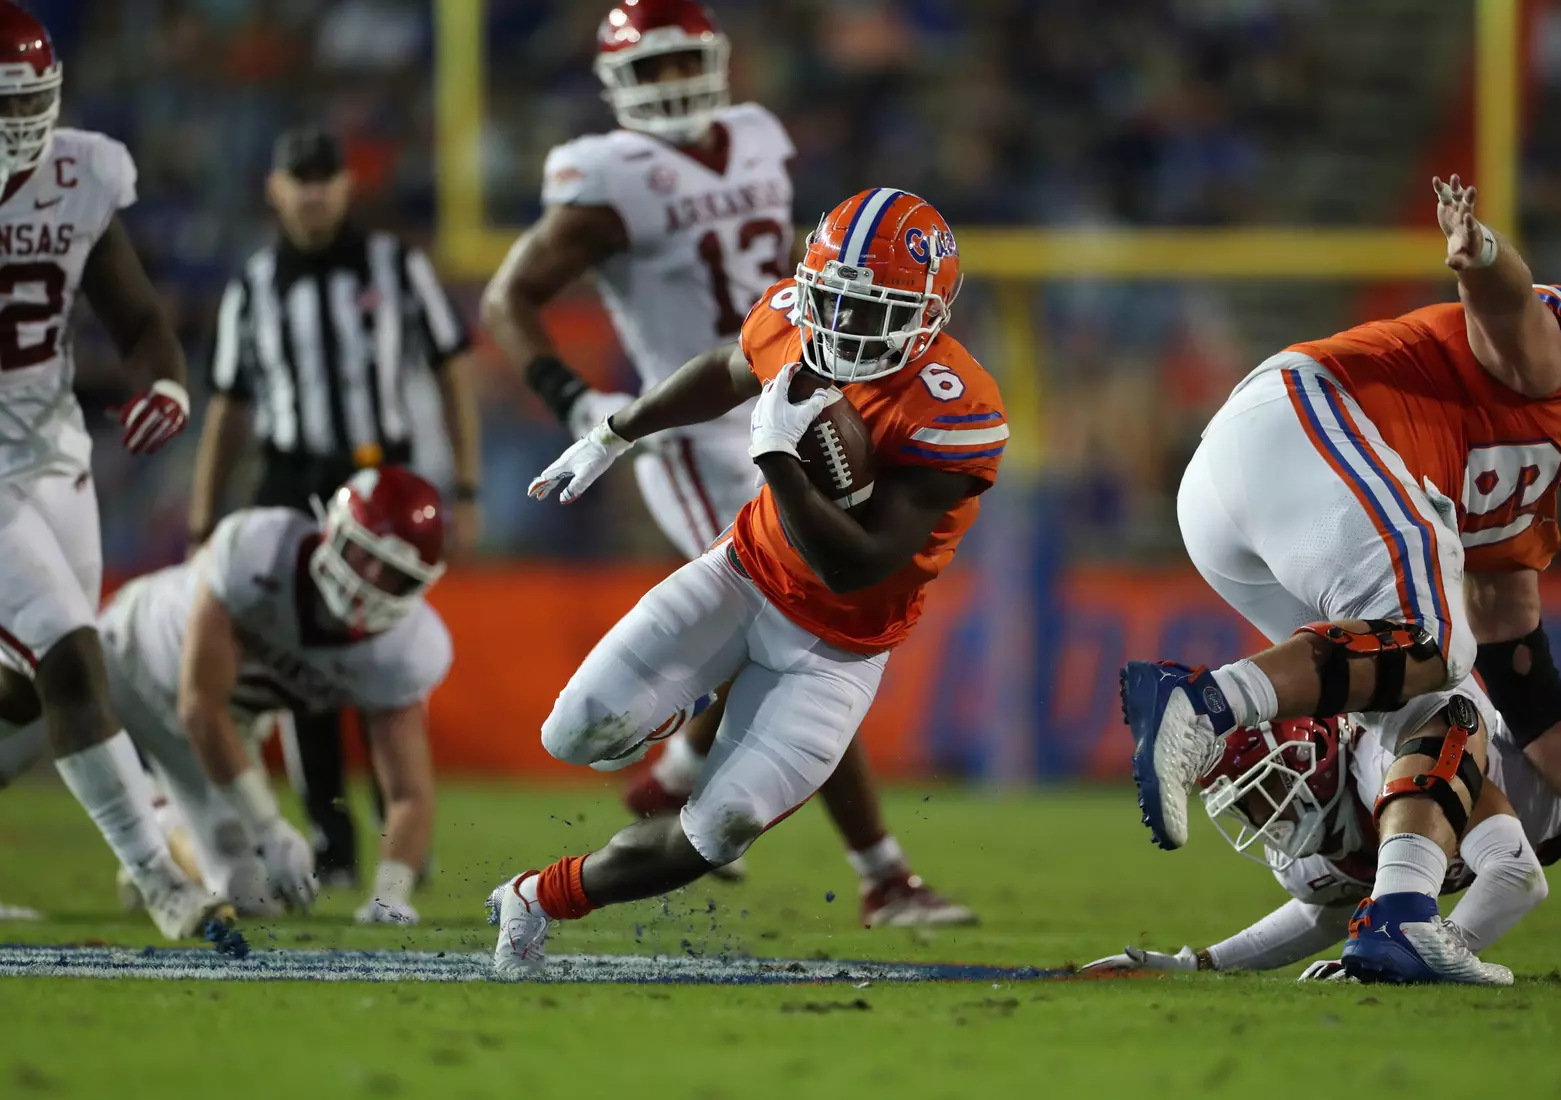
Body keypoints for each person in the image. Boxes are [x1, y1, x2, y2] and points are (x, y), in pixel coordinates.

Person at [482, 0, 972, 927]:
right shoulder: (608, 174)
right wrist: (579, 408)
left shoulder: (755, 135)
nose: (673, 85)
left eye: (684, 63)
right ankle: (877, 871)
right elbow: (510, 296)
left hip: (799, 384)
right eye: (653, 68)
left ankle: (676, 783)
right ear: (620, 83)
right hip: (697, 423)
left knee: (813, 625)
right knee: (805, 619)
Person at [1122, 175, 1561, 984]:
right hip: (1308, 420)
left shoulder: (1533, 504)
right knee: (1434, 638)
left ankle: (1399, 919)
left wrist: (1199, 966)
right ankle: (1204, 705)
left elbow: (1509, 625)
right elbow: (1515, 319)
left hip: (1237, 493)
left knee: (1422, 695)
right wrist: (1482, 255)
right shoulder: (1550, 369)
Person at [186, 126, 480, 888]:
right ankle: (332, 841)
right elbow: (228, 407)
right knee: (297, 666)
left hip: (380, 484)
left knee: (380, 657)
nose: (313, 191)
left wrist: (466, 487)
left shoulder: (396, 267)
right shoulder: (253, 283)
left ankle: (398, 840)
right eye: (300, 177)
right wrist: (202, 515)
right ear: (275, 188)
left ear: (347, 185)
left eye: (325, 177)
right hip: (289, 483)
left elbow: (453, 375)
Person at [0, 2, 221, 938]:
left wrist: (164, 382)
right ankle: (165, 882)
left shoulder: (79, 170)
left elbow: (135, 318)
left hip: (50, 452)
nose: (18, 126)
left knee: (27, 691)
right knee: (70, 654)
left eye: (30, 103)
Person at [100, 467, 451, 923]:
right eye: (364, 556)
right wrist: (268, 828)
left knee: (253, 895)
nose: (371, 581)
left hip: (222, 719)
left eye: (394, 575)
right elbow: (199, 706)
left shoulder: (404, 647)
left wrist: (391, 893)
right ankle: (157, 821)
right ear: (334, 530)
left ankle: (165, 832)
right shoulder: (261, 548)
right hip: (129, 652)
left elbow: (408, 792)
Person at [1084, 697, 1553, 979]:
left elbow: (1516, 875)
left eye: (1264, 791)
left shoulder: (1390, 760)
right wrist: (1201, 964)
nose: (1260, 819)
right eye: (1244, 806)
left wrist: (1427, 951)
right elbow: (1325, 912)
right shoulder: (1323, 842)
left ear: (1314, 759)